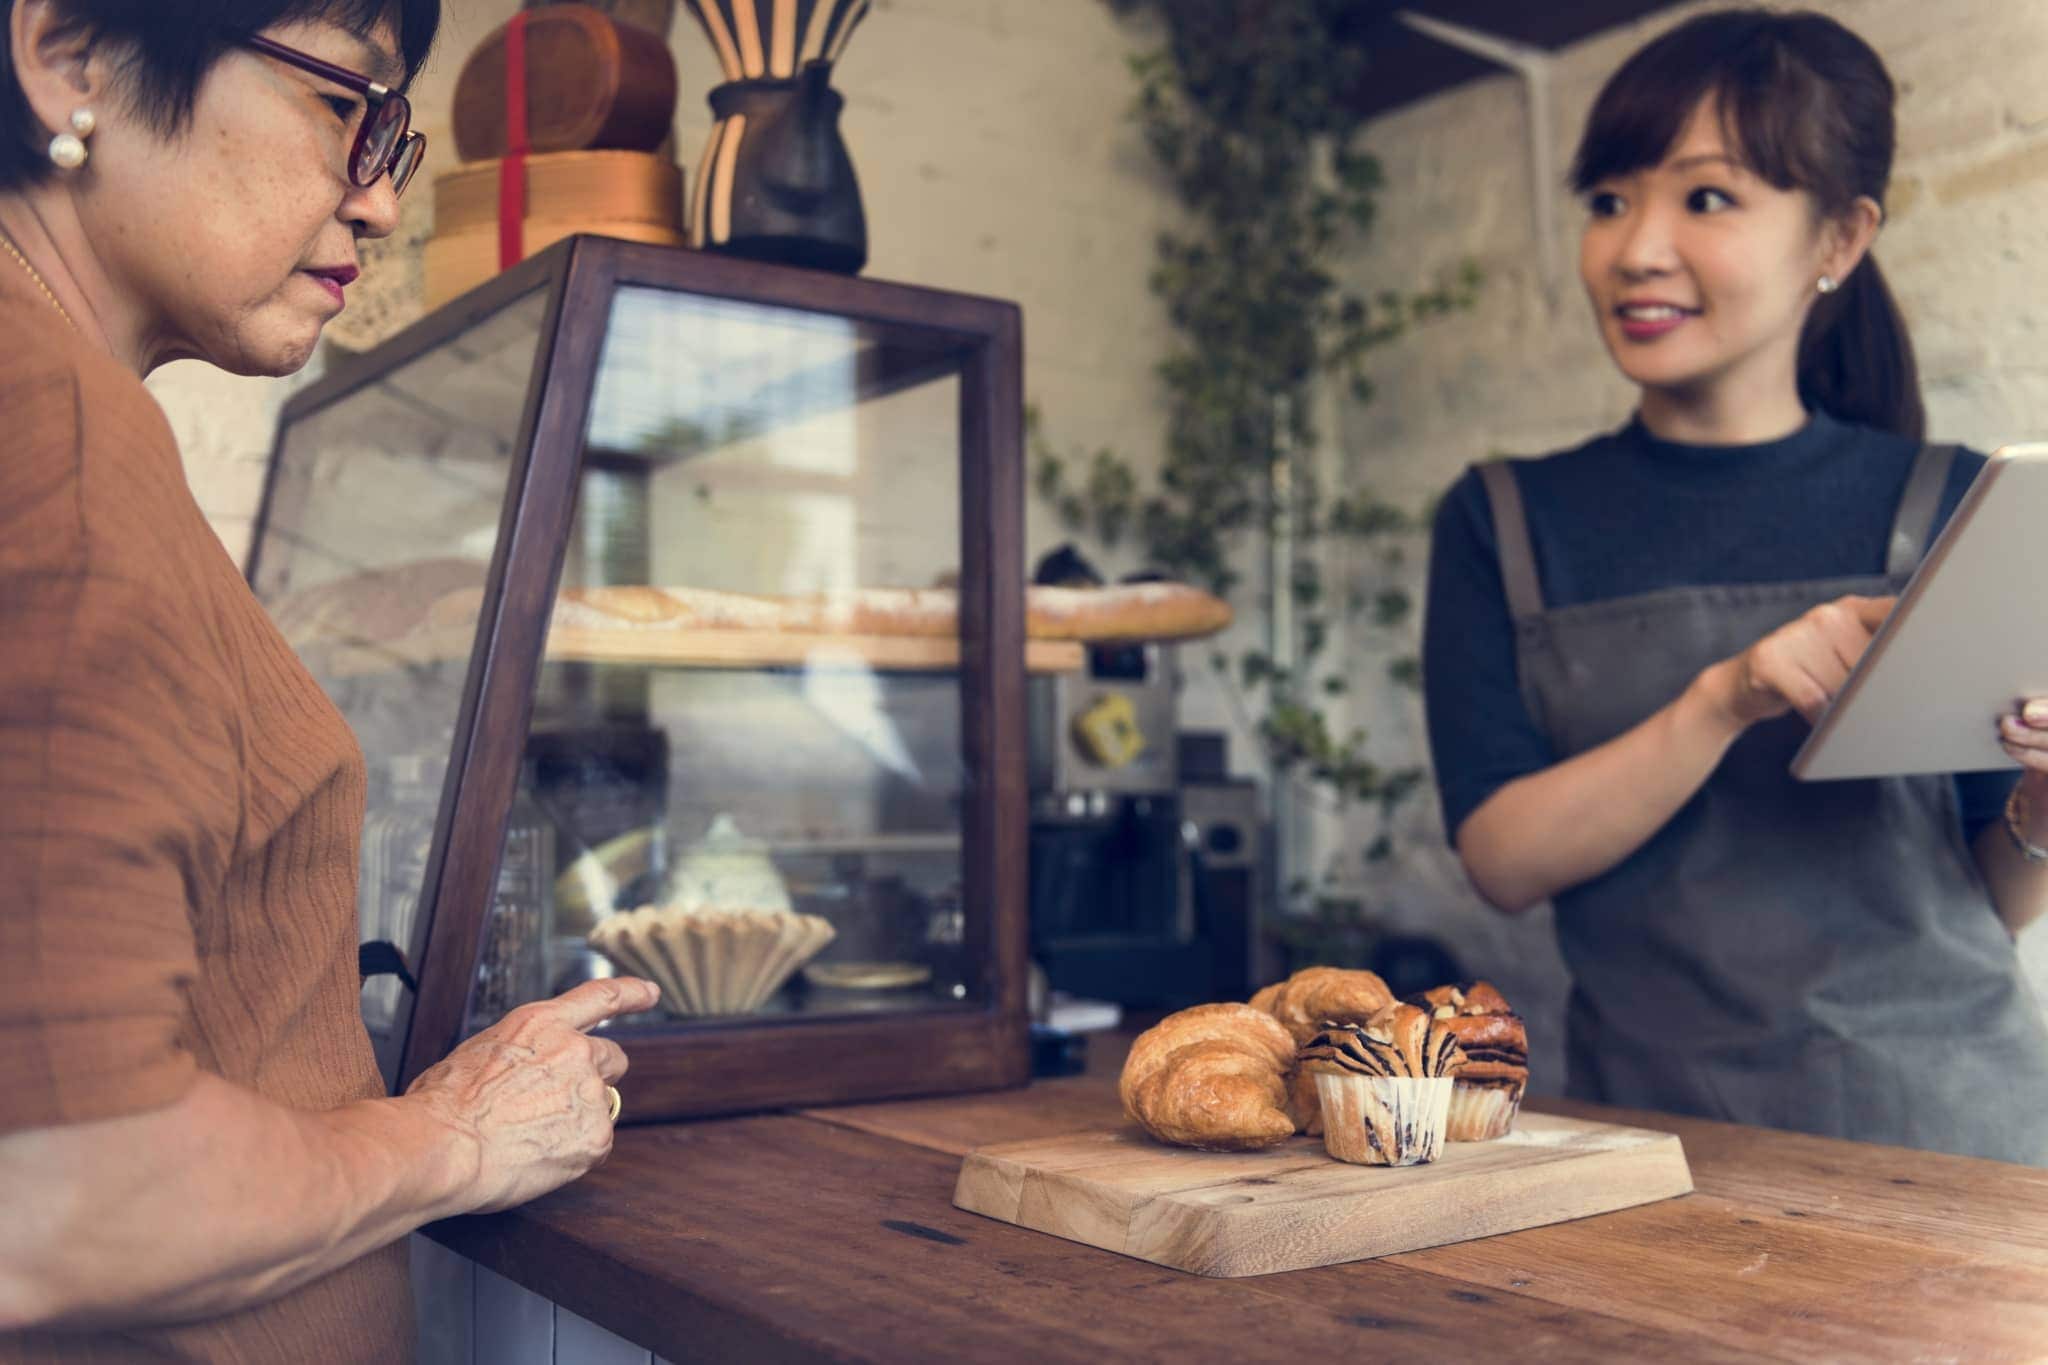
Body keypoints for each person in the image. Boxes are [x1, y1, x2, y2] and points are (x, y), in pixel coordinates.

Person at [0, 2, 660, 1358]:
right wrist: (452, 1136)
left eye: (394, 139)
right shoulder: (54, 426)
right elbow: (61, 1191)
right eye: (341, 103)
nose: (377, 204)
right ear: (68, 58)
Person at [1422, 8, 2048, 1166]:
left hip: (1949, 1146)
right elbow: (1502, 862)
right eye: (1608, 198)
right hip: (1647, 1145)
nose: (1633, 249)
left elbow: (1992, 898)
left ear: (1836, 240)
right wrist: (1723, 698)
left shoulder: (1947, 501)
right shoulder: (1502, 519)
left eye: (1705, 198)